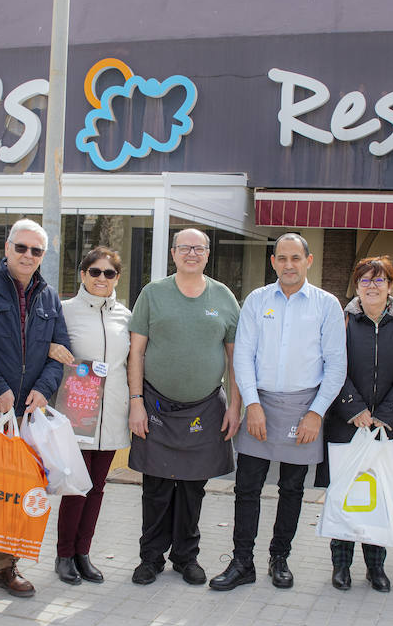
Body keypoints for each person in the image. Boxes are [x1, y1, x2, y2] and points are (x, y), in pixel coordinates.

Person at [212, 233, 345, 591]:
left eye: (295, 258)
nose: (288, 265)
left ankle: (279, 557)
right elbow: (243, 356)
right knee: (247, 487)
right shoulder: (256, 300)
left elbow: (336, 366)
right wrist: (252, 405)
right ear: (273, 262)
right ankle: (242, 562)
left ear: (308, 261)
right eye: (282, 258)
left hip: (305, 407)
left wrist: (316, 413)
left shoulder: (326, 304)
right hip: (261, 405)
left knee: (292, 489)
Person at [0, 218, 71, 602]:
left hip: (27, 417)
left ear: (43, 255)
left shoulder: (50, 296)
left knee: (20, 493)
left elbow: (60, 353)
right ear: (7, 248)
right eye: (21, 247)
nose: (28, 255)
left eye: (36, 250)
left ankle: (5, 568)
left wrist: (44, 388)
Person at [127, 228, 241, 586]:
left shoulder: (223, 296)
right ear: (173, 253)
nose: (192, 253)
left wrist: (235, 406)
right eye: (185, 248)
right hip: (156, 406)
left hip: (206, 408)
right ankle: (151, 558)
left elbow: (236, 358)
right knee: (156, 488)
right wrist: (135, 403)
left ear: (207, 254)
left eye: (199, 248)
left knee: (193, 489)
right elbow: (136, 353)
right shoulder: (153, 294)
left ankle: (185, 557)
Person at [317, 256, 393, 592]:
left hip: (386, 428)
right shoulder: (341, 320)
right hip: (347, 425)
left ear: (390, 285)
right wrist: (354, 408)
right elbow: (332, 365)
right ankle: (341, 567)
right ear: (356, 285)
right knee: (345, 496)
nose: (372, 286)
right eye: (365, 280)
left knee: (381, 497)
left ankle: (376, 568)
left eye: (379, 280)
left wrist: (388, 413)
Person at [53, 246, 132, 585]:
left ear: (117, 277)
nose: (102, 279)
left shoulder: (125, 317)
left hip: (111, 411)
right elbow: (48, 347)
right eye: (95, 272)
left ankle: (84, 552)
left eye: (109, 273)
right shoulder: (63, 311)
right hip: (76, 411)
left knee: (97, 487)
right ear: (83, 274)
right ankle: (64, 554)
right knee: (75, 487)